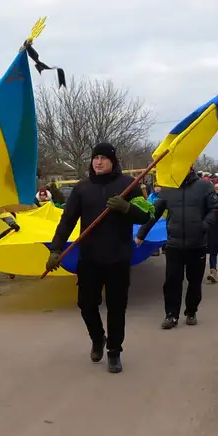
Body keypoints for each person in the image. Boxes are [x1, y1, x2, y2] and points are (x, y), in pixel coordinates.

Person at [47, 143, 151, 373]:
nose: (99, 162)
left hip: (118, 257)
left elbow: (146, 216)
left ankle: (114, 351)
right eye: (96, 158)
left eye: (104, 158)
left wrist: (126, 209)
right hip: (90, 258)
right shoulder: (82, 188)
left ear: (113, 161)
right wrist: (55, 250)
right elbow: (67, 220)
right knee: (85, 304)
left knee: (116, 307)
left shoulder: (128, 185)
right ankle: (98, 338)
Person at [136, 166, 218, 328]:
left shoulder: (204, 187)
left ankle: (191, 311)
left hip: (197, 244)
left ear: (190, 166)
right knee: (172, 281)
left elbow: (214, 209)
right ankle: (171, 315)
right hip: (174, 244)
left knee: (194, 281)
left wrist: (203, 225)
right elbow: (154, 213)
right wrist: (141, 233)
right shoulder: (168, 189)